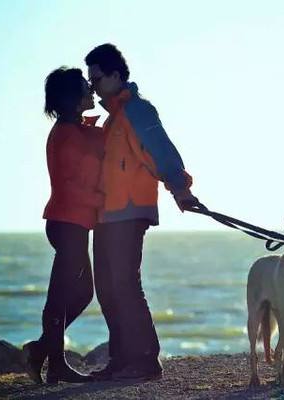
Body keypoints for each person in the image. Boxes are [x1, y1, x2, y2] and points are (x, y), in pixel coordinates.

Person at [85, 43, 202, 381]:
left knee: (125, 285)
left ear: (116, 76)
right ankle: (121, 360)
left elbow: (161, 151)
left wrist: (179, 188)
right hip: (106, 216)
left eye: (97, 79)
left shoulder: (138, 111)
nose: (92, 86)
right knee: (107, 288)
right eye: (90, 80)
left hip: (129, 213)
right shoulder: (113, 120)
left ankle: (146, 360)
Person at [22, 67, 105, 384]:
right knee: (59, 296)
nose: (92, 90)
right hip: (66, 223)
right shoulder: (68, 134)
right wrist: (104, 199)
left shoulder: (75, 130)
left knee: (83, 293)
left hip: (74, 224)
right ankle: (54, 363)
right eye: (86, 86)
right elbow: (73, 185)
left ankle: (41, 351)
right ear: (73, 97)